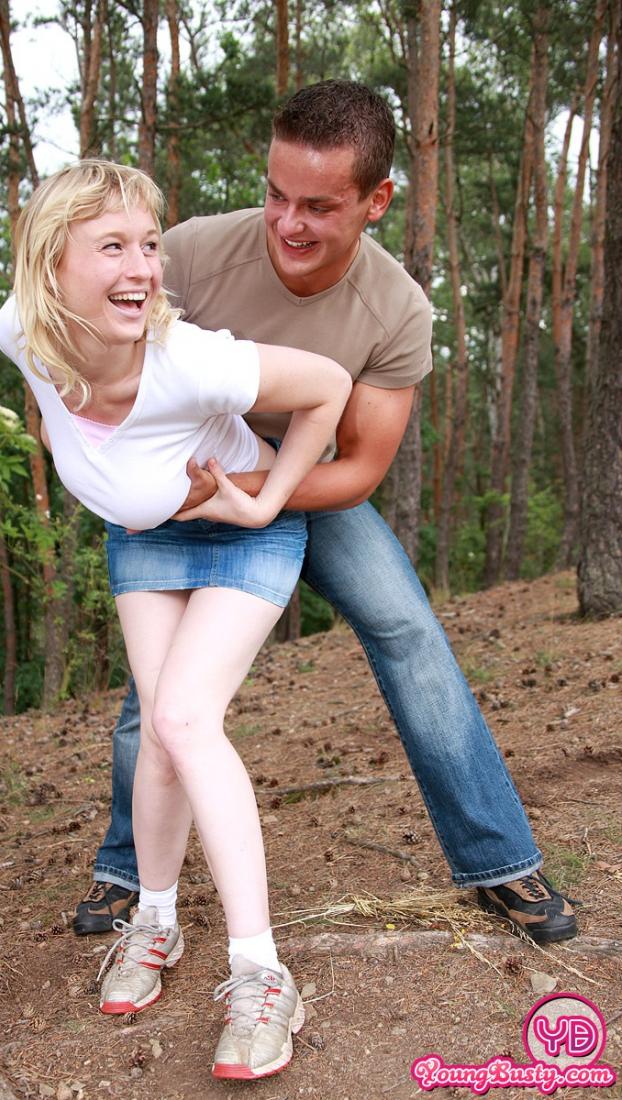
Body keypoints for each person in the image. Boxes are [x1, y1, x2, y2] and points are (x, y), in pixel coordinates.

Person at [74, 80, 578, 947]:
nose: (288, 223)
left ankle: (498, 860)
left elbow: (361, 468)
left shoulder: (398, 309)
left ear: (377, 200)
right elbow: (105, 353)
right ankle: (128, 869)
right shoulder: (191, 255)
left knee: (408, 628)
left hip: (303, 485)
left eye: (318, 206)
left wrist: (253, 496)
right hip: (193, 475)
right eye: (276, 195)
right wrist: (167, 486)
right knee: (159, 689)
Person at [0, 158, 351, 1080]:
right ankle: (154, 921)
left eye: (149, 245)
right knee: (158, 734)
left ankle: (262, 973)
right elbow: (61, 414)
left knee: (188, 720)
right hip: (146, 540)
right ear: (50, 263)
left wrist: (265, 500)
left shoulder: (190, 360)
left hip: (235, 533)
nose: (143, 268)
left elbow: (328, 385)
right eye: (112, 246)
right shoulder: (18, 331)